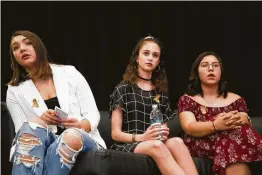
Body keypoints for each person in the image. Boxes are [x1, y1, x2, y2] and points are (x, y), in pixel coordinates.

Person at [6, 30, 106, 175]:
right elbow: (21, 132)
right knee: (32, 126)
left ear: (38, 47)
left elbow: (92, 113)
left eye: (28, 43)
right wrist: (42, 120)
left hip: (82, 138)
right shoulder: (14, 90)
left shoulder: (70, 73)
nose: (22, 49)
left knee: (70, 136)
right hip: (45, 141)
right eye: (15, 48)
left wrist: (79, 125)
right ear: (14, 57)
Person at [109, 36, 198, 175]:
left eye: (155, 55)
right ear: (137, 58)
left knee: (177, 142)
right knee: (156, 145)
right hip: (129, 144)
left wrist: (163, 133)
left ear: (158, 62)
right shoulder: (123, 88)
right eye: (146, 53)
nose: (150, 58)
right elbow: (115, 134)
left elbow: (163, 130)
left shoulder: (160, 92)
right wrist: (142, 137)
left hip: (154, 143)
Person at [177, 51, 262, 175]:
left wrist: (245, 119)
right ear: (196, 72)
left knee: (234, 145)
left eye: (215, 65)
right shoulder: (187, 99)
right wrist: (216, 125)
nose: (211, 68)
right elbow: (189, 127)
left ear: (221, 72)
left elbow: (245, 129)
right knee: (232, 137)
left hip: (233, 147)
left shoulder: (237, 100)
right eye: (205, 65)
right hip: (201, 143)